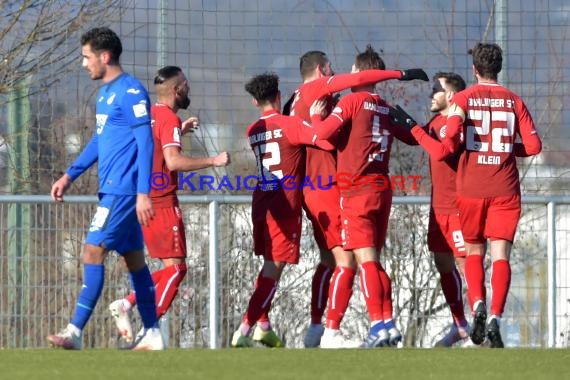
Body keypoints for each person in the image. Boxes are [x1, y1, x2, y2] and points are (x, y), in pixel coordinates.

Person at [390, 43, 542, 348]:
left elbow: (446, 146)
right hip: (505, 189)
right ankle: (496, 316)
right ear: (499, 67)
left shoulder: (463, 99)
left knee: (473, 254)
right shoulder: (515, 100)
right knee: (501, 256)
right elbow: (535, 147)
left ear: (474, 69)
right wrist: (504, 149)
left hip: (470, 191)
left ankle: (477, 308)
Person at [284, 50, 428, 348]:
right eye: (334, 70)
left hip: (339, 186)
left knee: (348, 260)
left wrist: (315, 117)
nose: (341, 76)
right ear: (323, 70)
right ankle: (347, 327)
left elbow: (324, 135)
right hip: (359, 186)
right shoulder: (378, 105)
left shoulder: (326, 99)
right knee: (352, 260)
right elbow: (412, 137)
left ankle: (344, 328)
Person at [47, 27, 163, 350]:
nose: (84, 64)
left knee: (91, 251)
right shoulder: (103, 96)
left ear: (104, 56)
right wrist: (69, 175)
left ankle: (75, 331)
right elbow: (100, 140)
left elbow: (146, 142)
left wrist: (143, 193)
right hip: (114, 191)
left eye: (87, 57)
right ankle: (152, 332)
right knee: (135, 262)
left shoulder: (131, 92)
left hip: (123, 192)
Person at [108, 66, 230, 344]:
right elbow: (173, 161)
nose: (189, 89)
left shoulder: (150, 115)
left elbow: (154, 147)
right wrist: (213, 161)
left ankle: (128, 306)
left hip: (142, 200)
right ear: (177, 89)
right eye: (186, 84)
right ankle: (147, 327)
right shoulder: (168, 118)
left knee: (168, 268)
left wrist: (179, 130)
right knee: (177, 269)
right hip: (162, 203)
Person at [231, 72, 339, 348]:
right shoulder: (292, 124)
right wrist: (318, 117)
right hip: (284, 203)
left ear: (255, 101)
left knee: (268, 266)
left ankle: (263, 326)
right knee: (273, 269)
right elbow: (324, 141)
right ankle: (243, 330)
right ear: (279, 96)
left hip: (261, 201)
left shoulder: (252, 129)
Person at [390, 72, 471, 347]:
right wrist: (390, 119)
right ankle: (460, 325)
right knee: (442, 262)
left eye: (436, 89)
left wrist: (413, 128)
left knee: (466, 264)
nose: (431, 93)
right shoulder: (437, 120)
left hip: (458, 208)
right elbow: (418, 138)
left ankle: (484, 326)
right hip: (438, 208)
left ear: (450, 95)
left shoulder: (457, 122)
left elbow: (440, 151)